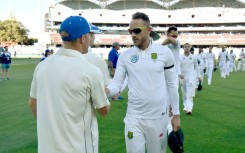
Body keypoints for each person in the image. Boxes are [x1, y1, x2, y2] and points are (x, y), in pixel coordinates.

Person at [28, 16, 110, 153]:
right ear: (83, 38)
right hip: (78, 147)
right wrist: (104, 93)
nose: (90, 39)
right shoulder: (90, 71)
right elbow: (104, 110)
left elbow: (32, 103)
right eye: (89, 35)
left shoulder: (42, 66)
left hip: (47, 147)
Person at [106, 12, 180, 153]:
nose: (133, 35)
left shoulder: (164, 53)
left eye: (137, 30)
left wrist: (176, 114)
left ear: (148, 30)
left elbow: (172, 85)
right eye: (130, 31)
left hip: (158, 118)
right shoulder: (125, 56)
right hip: (134, 118)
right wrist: (107, 91)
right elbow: (117, 84)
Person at [162, 26, 181, 134]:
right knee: (163, 99)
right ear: (168, 33)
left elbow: (170, 40)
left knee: (171, 101)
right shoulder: (164, 46)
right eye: (173, 35)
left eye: (176, 35)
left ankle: (169, 126)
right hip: (163, 76)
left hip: (173, 76)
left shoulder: (177, 43)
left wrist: (159, 45)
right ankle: (164, 123)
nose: (175, 37)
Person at [179, 42, 201, 115]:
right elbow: (178, 67)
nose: (187, 48)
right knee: (184, 93)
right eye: (185, 46)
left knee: (190, 93)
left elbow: (197, 67)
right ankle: (185, 106)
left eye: (188, 47)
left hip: (191, 76)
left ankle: (189, 108)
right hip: (183, 76)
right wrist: (179, 73)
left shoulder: (194, 57)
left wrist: (199, 76)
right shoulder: (180, 57)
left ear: (190, 48)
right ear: (183, 48)